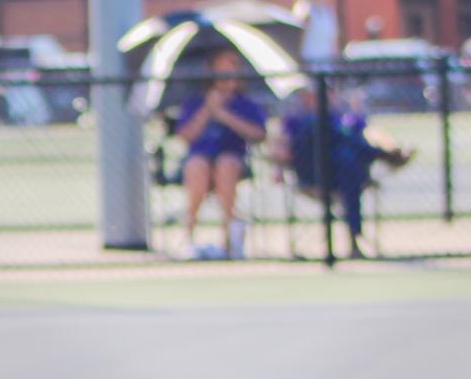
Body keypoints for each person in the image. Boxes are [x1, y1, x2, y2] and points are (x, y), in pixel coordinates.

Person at [275, 83, 415, 256]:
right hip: (311, 173)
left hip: (344, 175)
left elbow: (371, 134)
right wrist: (278, 167)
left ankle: (355, 239)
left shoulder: (346, 118)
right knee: (320, 127)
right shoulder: (294, 121)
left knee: (346, 158)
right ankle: (384, 156)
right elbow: (280, 150)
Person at [172, 48, 267, 258]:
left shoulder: (244, 104)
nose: (225, 79)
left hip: (232, 160)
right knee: (198, 166)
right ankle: (188, 237)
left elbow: (259, 134)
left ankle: (230, 238)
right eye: (220, 72)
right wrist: (208, 109)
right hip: (199, 161)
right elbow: (185, 135)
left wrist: (224, 115)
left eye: (230, 72)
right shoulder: (196, 102)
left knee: (226, 165)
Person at [293, 0, 339, 67]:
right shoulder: (303, 9)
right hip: (309, 67)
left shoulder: (327, 12)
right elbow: (297, 41)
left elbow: (333, 42)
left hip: (327, 67)